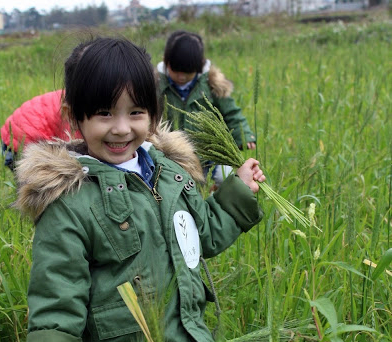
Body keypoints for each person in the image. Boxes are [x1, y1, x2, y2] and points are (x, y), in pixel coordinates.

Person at [14, 36, 266, 342]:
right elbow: (56, 313)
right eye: (104, 113)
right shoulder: (69, 203)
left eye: (135, 113)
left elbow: (200, 236)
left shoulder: (170, 173)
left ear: (153, 113)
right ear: (73, 115)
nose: (121, 128)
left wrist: (236, 191)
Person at [156, 30, 257, 187]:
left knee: (229, 179)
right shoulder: (156, 86)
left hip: (209, 154)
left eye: (188, 72)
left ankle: (221, 202)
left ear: (199, 67)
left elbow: (232, 112)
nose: (181, 77)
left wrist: (244, 135)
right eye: (176, 71)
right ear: (166, 63)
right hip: (174, 157)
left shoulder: (212, 85)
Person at [0, 90, 82, 170]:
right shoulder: (76, 108)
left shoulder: (73, 93)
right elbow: (74, 149)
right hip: (20, 144)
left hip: (10, 137)